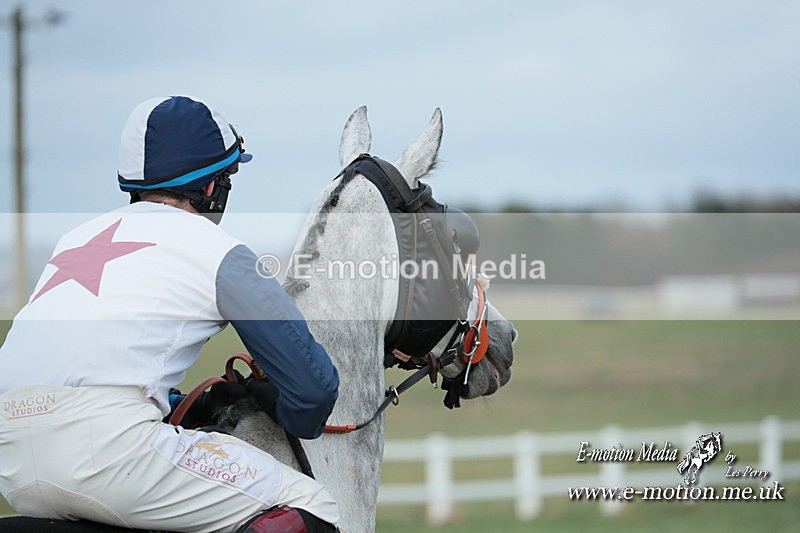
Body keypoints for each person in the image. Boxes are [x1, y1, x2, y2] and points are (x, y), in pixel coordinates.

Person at [0, 96, 340, 532]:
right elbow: (312, 390)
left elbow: (83, 367)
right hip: (108, 453)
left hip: (11, 454)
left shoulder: (74, 239)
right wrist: (286, 410)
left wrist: (180, 402)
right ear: (214, 186)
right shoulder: (223, 252)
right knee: (312, 504)